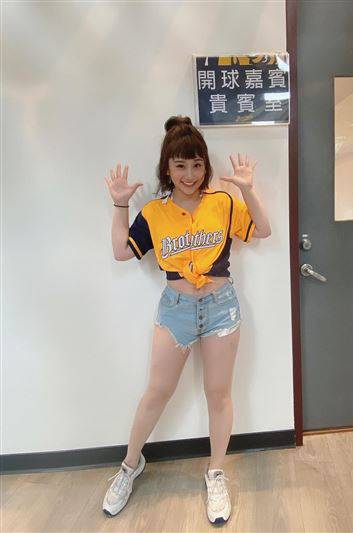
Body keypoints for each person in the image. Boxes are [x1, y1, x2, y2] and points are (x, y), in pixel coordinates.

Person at [101, 115, 271, 524]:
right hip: (175, 310)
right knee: (156, 392)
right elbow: (123, 252)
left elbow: (262, 230)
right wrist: (121, 204)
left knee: (219, 394)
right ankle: (130, 466)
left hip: (221, 308)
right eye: (180, 165)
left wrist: (248, 190)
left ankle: (215, 473)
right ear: (167, 168)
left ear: (205, 166)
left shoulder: (223, 202)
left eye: (196, 165)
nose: (190, 175)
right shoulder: (155, 212)